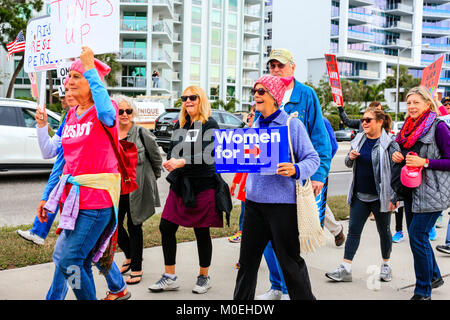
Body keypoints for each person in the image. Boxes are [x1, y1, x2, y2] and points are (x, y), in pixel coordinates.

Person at [38, 46, 130, 300]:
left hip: (97, 202)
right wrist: (42, 126)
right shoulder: (71, 115)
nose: (69, 81)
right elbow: (51, 154)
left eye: (76, 77)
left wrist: (88, 67)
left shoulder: (104, 110)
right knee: (75, 261)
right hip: (73, 203)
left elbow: (109, 115)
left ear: (92, 81)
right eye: (70, 77)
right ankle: (113, 290)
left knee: (69, 261)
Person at [233, 75, 320, 300]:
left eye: (261, 91)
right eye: (255, 91)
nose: (256, 95)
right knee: (247, 265)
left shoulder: (292, 125)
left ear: (274, 96)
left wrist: (295, 169)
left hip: (282, 206)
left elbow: (313, 159)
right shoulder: (253, 125)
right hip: (253, 205)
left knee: (291, 264)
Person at [256, 48, 332, 300]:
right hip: (264, 180)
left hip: (293, 180)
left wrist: (319, 174)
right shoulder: (262, 92)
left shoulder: (306, 94)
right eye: (272, 66)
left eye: (281, 65)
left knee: (288, 242)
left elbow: (319, 137)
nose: (276, 70)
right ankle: (276, 286)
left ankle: (292, 290)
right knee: (266, 239)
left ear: (292, 67)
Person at [148, 86, 232, 295]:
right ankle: (170, 276)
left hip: (204, 186)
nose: (188, 101)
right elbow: (173, 151)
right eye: (185, 98)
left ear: (201, 99)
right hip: (181, 185)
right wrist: (171, 162)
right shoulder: (181, 124)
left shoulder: (209, 124)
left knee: (201, 232)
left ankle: (204, 277)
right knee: (166, 227)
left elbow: (209, 157)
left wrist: (182, 161)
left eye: (192, 97)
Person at [325, 107, 399, 283]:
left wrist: (394, 197)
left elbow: (396, 173)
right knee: (353, 232)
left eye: (368, 120)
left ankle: (386, 265)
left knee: (384, 232)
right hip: (359, 195)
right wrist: (350, 157)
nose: (363, 123)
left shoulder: (389, 144)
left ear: (380, 122)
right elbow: (348, 163)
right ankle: (346, 268)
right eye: (363, 119)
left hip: (381, 196)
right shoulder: (358, 139)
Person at [391, 86, 450, 300]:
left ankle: (423, 292)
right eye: (409, 103)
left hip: (432, 192)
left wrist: (425, 162)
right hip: (410, 191)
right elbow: (397, 148)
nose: (411, 106)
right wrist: (397, 155)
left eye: (416, 102)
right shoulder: (406, 128)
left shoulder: (438, 127)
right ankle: (434, 276)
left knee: (417, 237)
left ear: (427, 103)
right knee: (419, 238)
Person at [16, 82, 75, 245]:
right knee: (74, 250)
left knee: (86, 249)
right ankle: (38, 232)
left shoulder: (91, 118)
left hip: (84, 186)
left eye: (71, 91)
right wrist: (42, 126)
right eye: (66, 93)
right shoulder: (67, 119)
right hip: (65, 177)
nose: (65, 98)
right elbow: (49, 151)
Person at [113, 94, 163, 285]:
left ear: (133, 112)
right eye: (120, 111)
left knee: (135, 226)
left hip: (137, 188)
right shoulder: (110, 133)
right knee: (113, 226)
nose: (124, 114)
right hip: (116, 188)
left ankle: (136, 267)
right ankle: (129, 255)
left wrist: (151, 178)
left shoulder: (142, 133)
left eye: (128, 111)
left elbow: (156, 159)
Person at [228, 103, 256, 246]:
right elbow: (242, 162)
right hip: (246, 187)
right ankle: (242, 235)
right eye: (249, 114)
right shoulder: (248, 135)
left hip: (257, 188)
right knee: (244, 215)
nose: (249, 117)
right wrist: (235, 182)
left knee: (252, 222)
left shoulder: (263, 136)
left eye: (252, 114)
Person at [322, 117, 346, 247]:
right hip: (298, 167)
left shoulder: (322, 121)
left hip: (317, 169)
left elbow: (333, 146)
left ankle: (337, 230)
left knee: (316, 202)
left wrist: (322, 164)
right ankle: (336, 230)